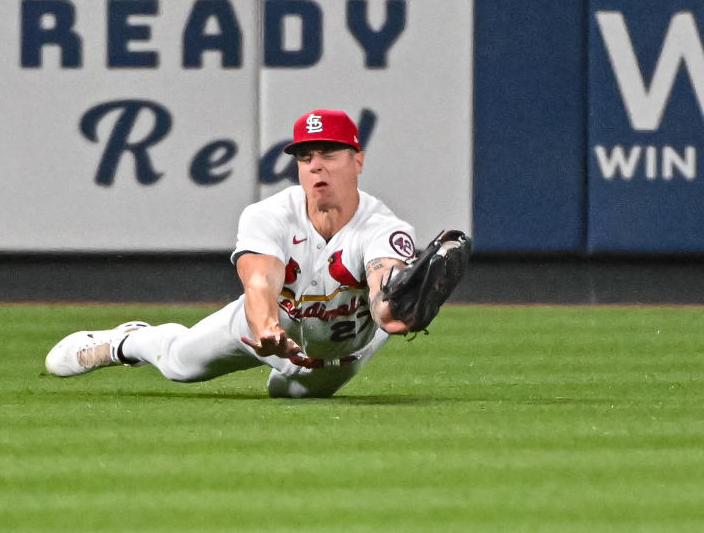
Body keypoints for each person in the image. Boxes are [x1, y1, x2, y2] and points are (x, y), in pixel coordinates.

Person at [45, 109, 441, 398]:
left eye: (329, 154)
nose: (316, 167)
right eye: (306, 158)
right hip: (265, 326)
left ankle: (293, 378)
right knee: (181, 365)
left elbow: (383, 278)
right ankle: (127, 342)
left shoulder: (383, 227)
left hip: (339, 350)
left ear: (357, 161)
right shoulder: (269, 216)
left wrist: (393, 309)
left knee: (293, 395)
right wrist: (268, 329)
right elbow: (259, 282)